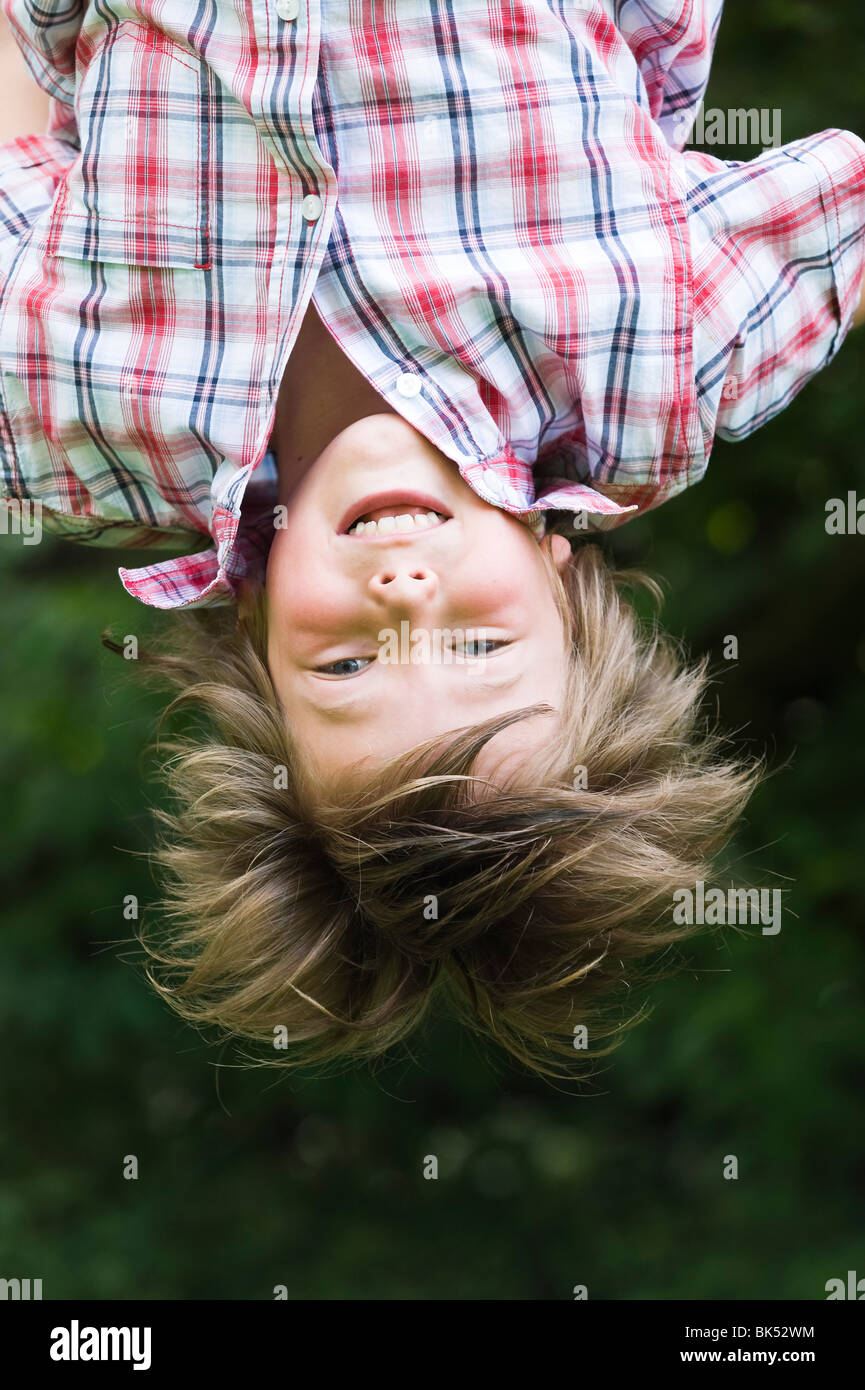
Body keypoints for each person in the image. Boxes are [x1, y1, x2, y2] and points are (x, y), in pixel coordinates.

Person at [1, 2, 863, 1077]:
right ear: (563, 586)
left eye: (350, 664)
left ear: (258, 640)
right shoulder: (655, 380)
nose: (405, 598)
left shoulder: (75, 432)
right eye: (478, 648)